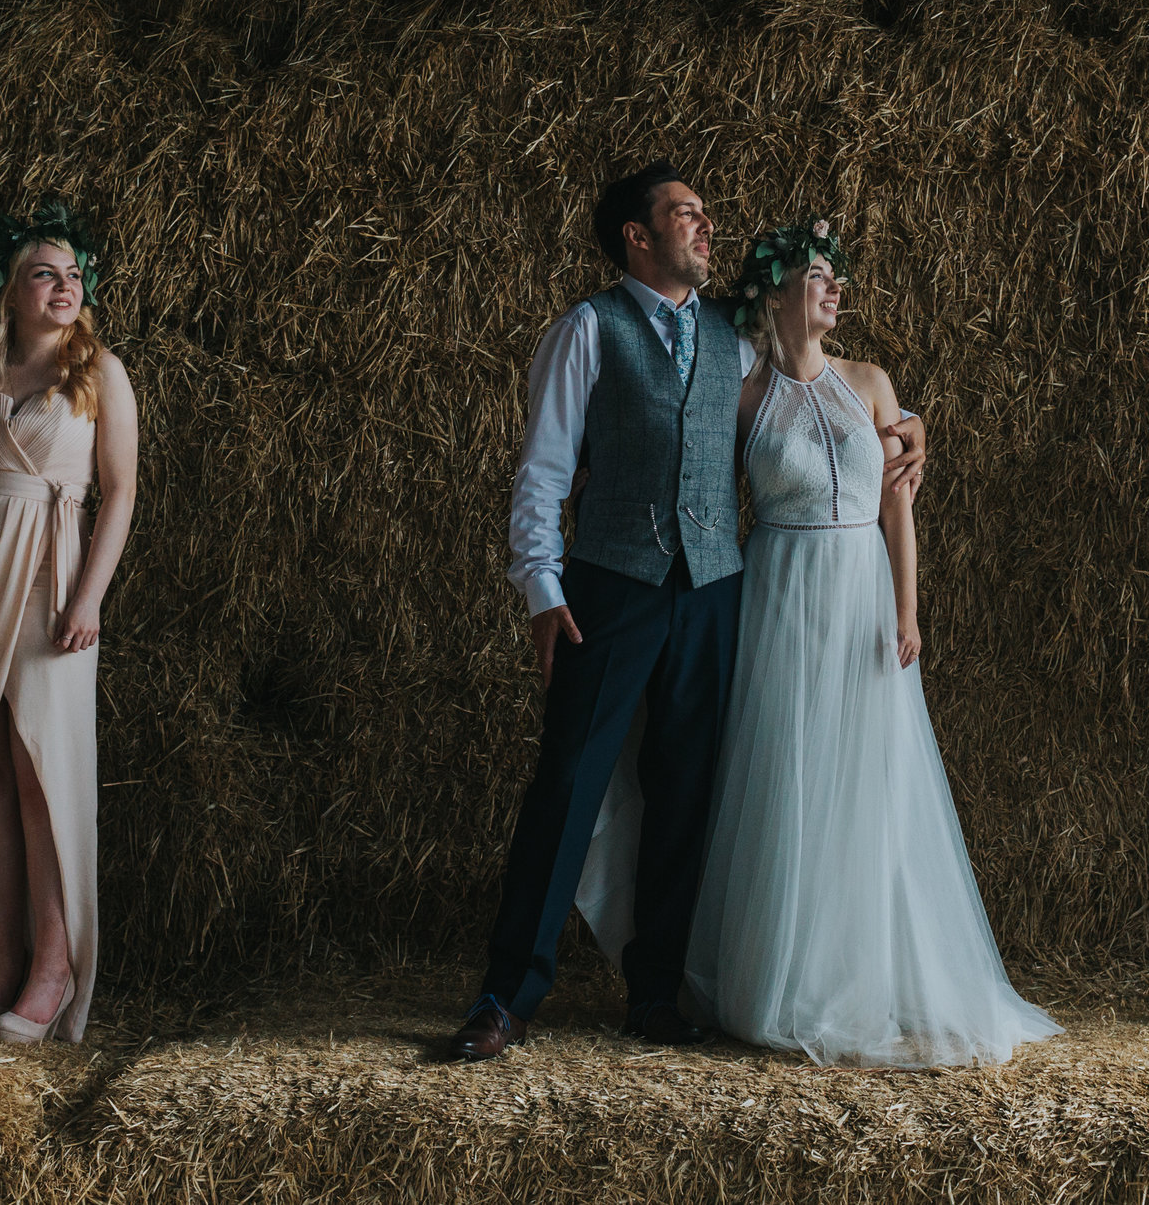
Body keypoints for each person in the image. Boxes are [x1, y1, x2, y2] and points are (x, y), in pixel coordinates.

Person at [451, 163, 924, 1063]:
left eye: (706, 214)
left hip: (714, 595)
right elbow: (545, 472)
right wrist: (542, 592)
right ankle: (506, 996)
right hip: (610, 588)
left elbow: (818, 403)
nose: (707, 229)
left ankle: (655, 993)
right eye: (686, 214)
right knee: (568, 785)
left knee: (684, 796)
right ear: (638, 234)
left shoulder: (735, 340)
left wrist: (913, 431)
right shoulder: (586, 330)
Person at [680, 222, 1058, 1065]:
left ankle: (866, 970)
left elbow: (898, 506)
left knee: (866, 774)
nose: (835, 287)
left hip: (859, 587)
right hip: (779, 589)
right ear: (775, 292)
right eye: (818, 275)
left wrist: (906, 609)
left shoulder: (874, 384)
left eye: (836, 276)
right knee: (787, 770)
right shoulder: (743, 394)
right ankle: (785, 977)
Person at [0, 205, 137, 1046]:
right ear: (7, 288)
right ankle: (2, 960)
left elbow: (121, 494)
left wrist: (89, 597)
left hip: (51, 587)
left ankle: (55, 965)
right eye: (47, 272)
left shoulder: (101, 374)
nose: (66, 285)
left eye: (75, 273)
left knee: (44, 772)